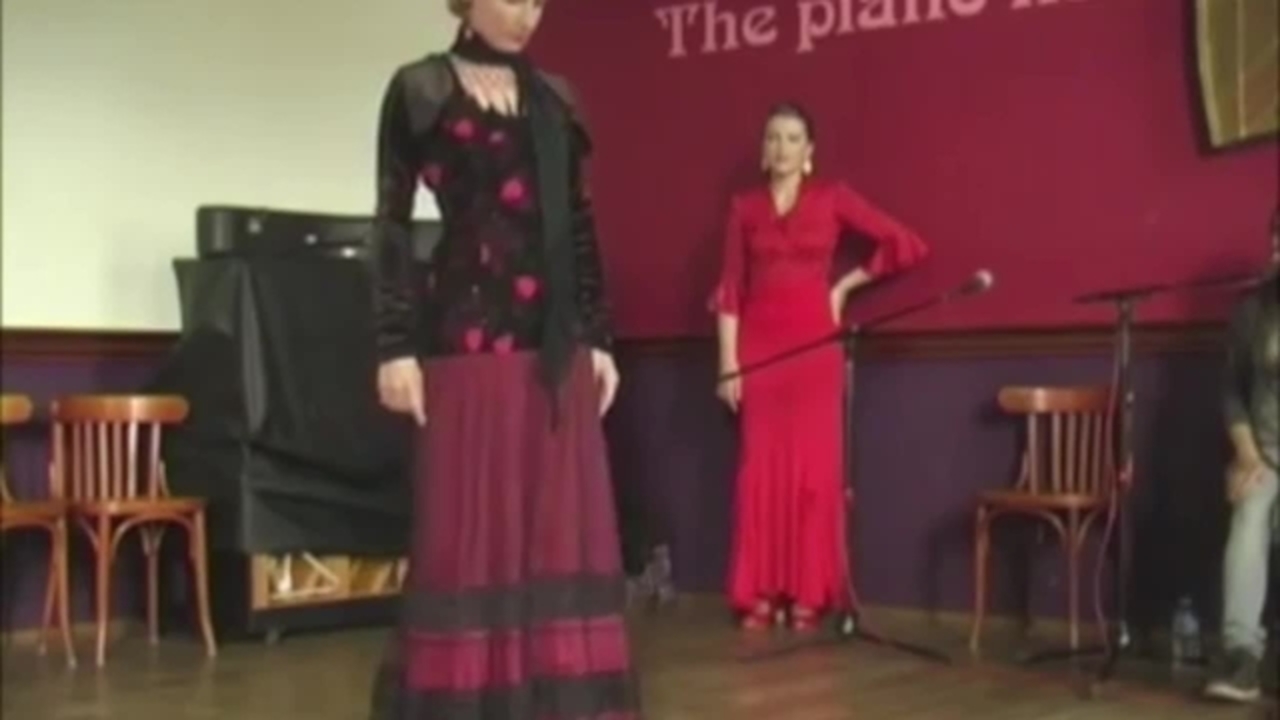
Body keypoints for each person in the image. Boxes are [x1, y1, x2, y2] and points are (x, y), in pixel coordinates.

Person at [367, 1, 641, 717]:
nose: (528, 13)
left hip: (551, 347)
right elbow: (391, 226)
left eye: (538, 0)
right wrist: (394, 345)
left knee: (553, 532)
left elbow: (578, 225)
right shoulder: (421, 88)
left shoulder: (556, 99)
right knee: (466, 533)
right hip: (464, 340)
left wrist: (598, 336)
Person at [710, 103, 930, 631]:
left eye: (792, 138)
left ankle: (808, 591)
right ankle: (762, 590)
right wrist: (728, 364)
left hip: (814, 346)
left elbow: (904, 245)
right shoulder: (743, 208)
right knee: (761, 470)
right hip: (760, 350)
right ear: (763, 150)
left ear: (809, 151)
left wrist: (842, 288)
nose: (782, 148)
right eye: (773, 138)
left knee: (813, 471)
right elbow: (731, 288)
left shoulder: (833, 198)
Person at [1203, 212, 1279, 704]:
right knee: (1249, 510)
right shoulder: (1252, 310)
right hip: (1266, 453)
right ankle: (1242, 657)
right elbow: (1232, 392)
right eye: (1277, 236)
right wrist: (1247, 457)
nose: (1277, 246)